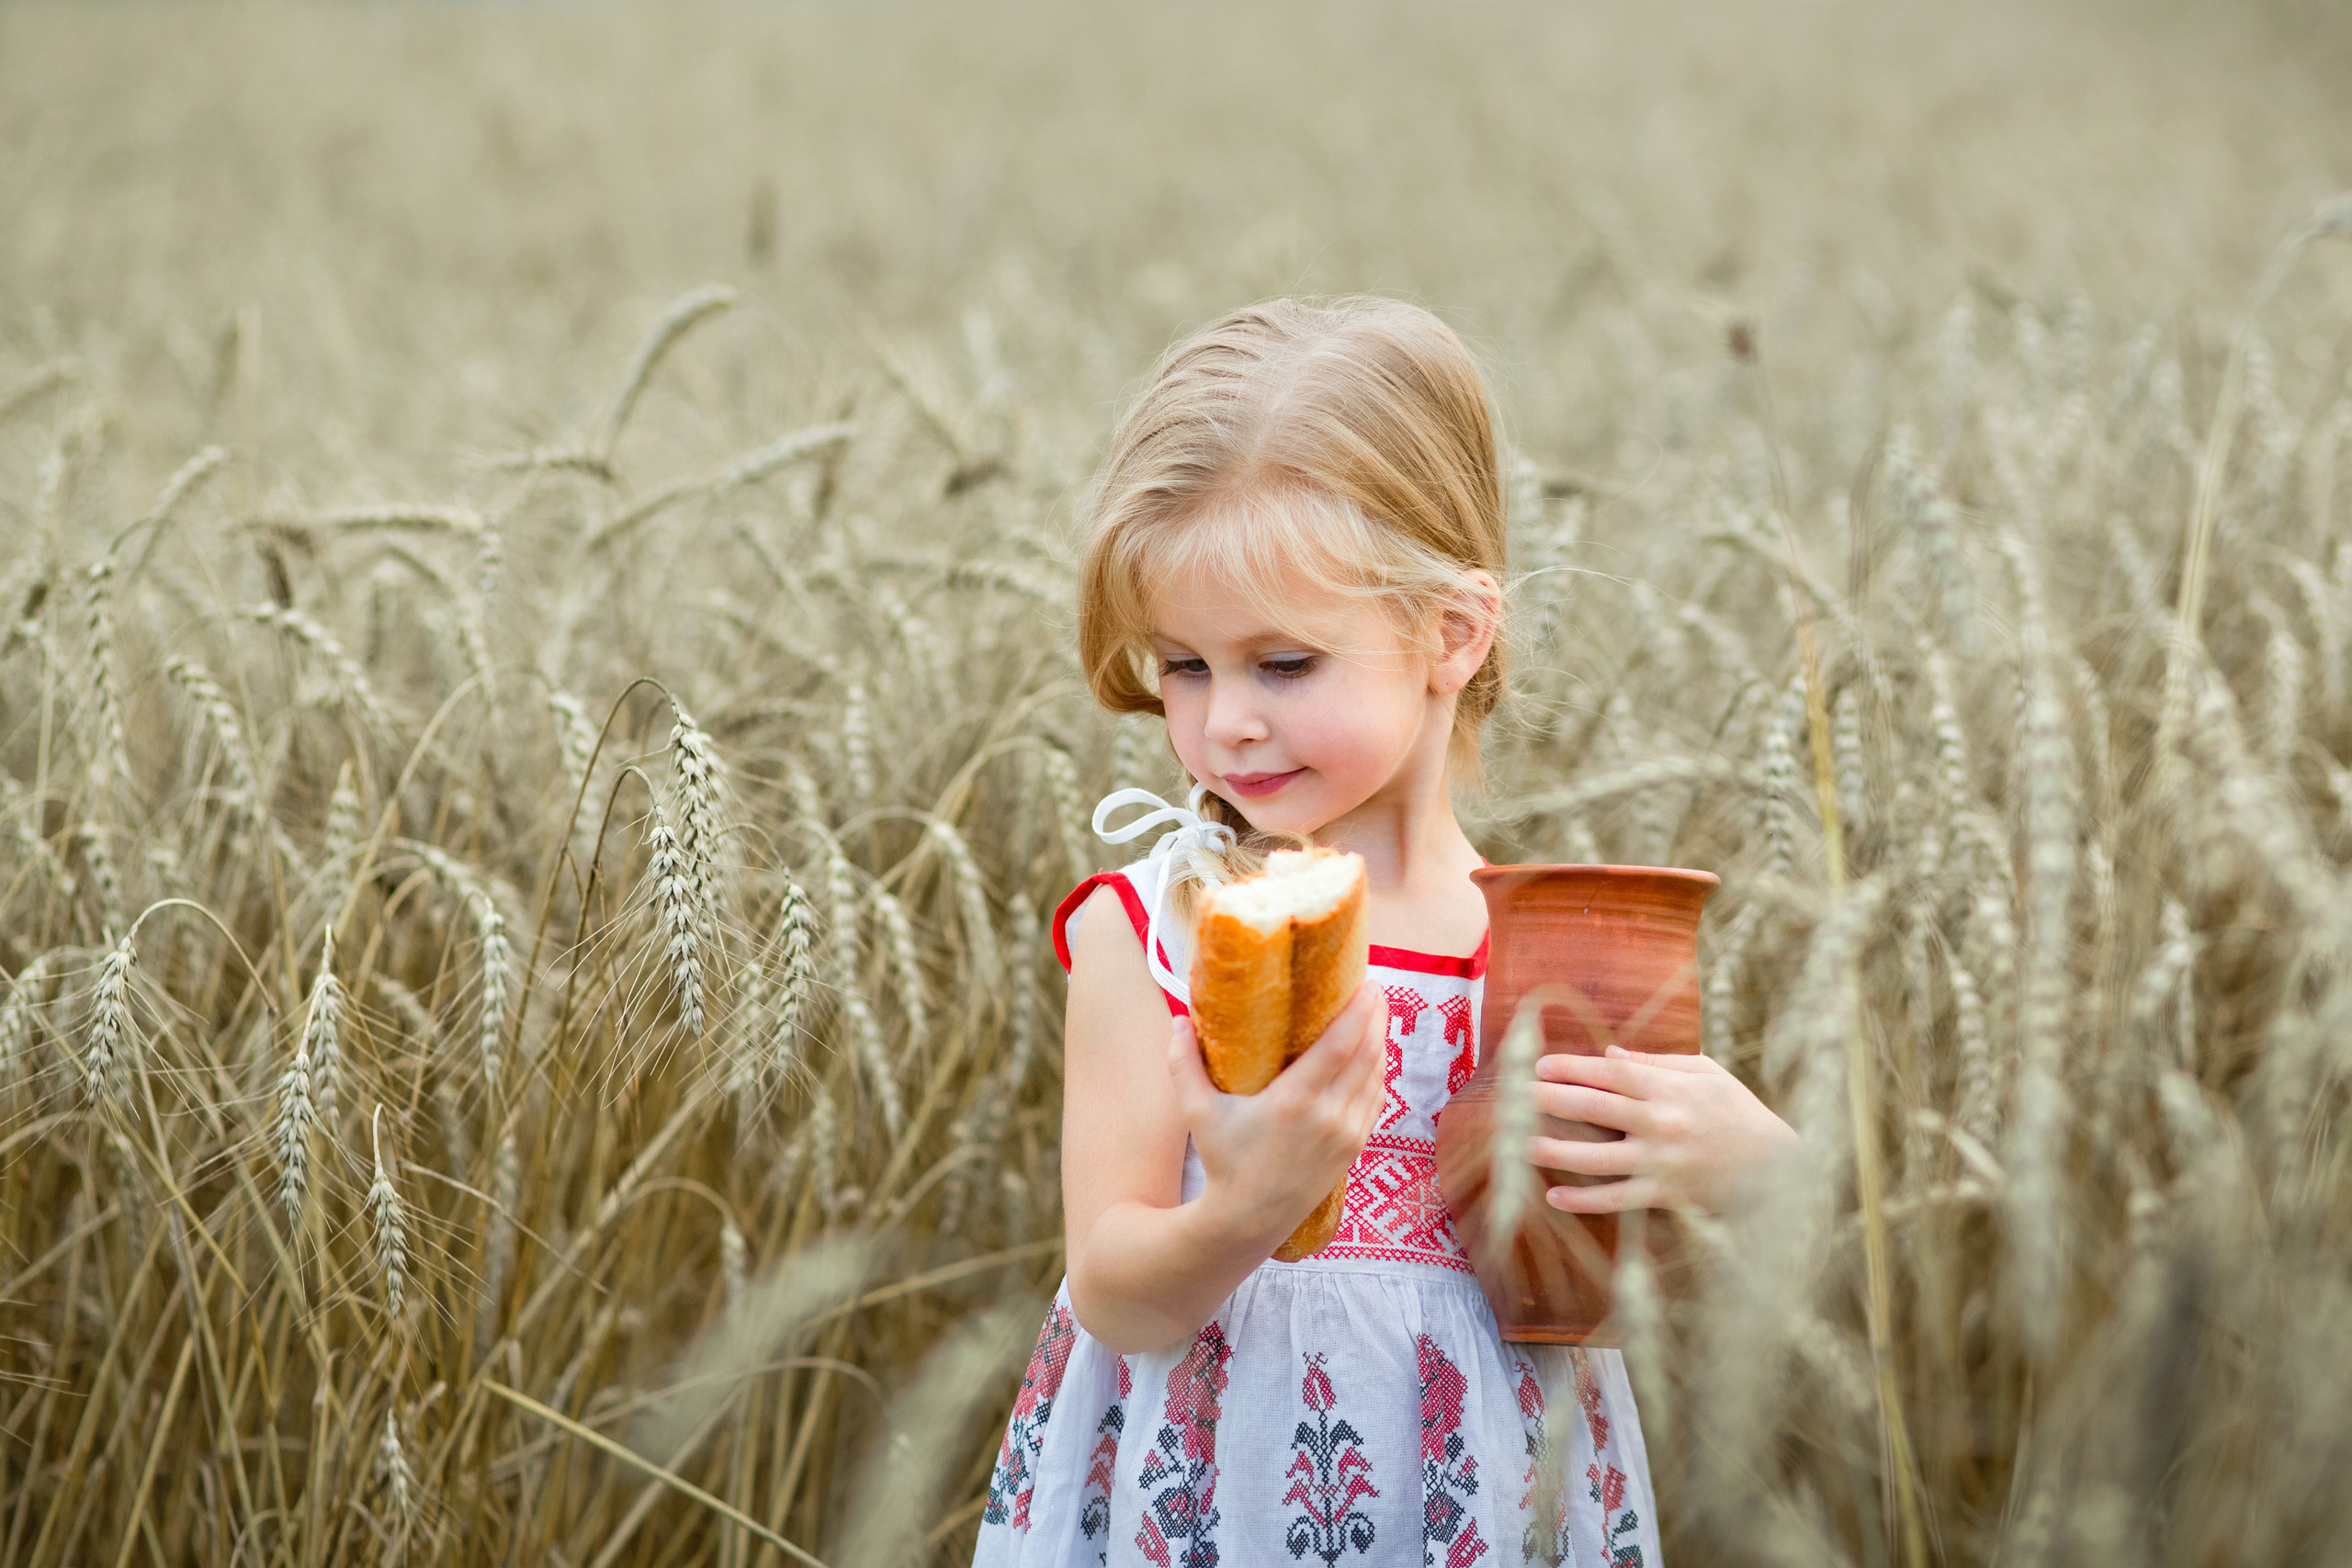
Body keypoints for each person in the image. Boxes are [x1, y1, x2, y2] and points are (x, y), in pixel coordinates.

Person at [973, 297, 1796, 1567]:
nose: (1225, 723)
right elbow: (1114, 1288)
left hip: (1494, 1502)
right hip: (1218, 1503)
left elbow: (1621, 1284)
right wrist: (1246, 1210)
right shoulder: (1159, 928)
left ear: (1453, 633)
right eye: (1184, 666)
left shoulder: (1558, 948)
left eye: (1283, 664)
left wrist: (1760, 1171)